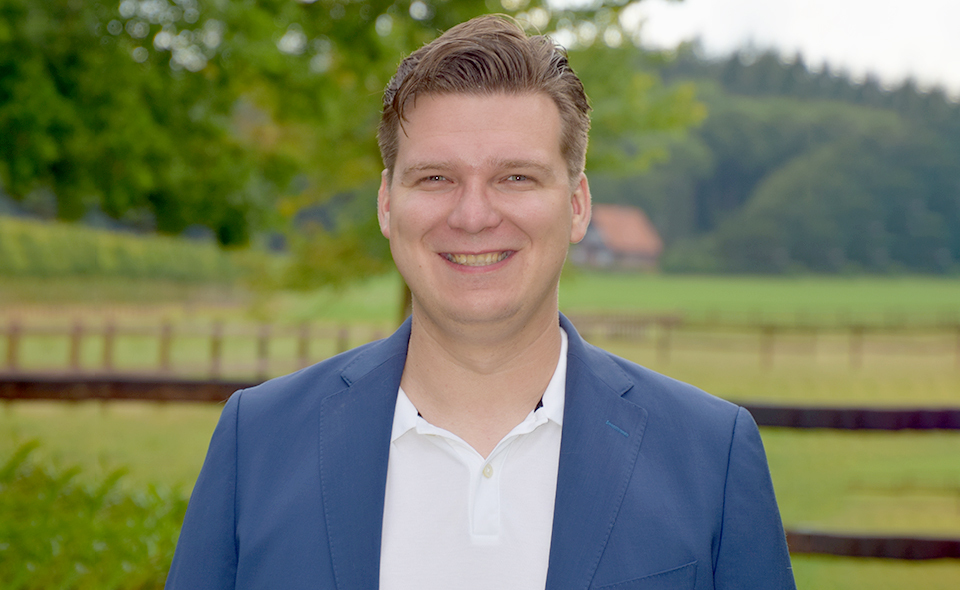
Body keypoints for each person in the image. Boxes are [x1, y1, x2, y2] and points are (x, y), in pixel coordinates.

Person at [166, 15, 795, 590]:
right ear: (387, 204)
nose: (472, 215)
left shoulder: (710, 452)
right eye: (435, 178)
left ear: (577, 205)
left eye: (514, 177)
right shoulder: (260, 439)